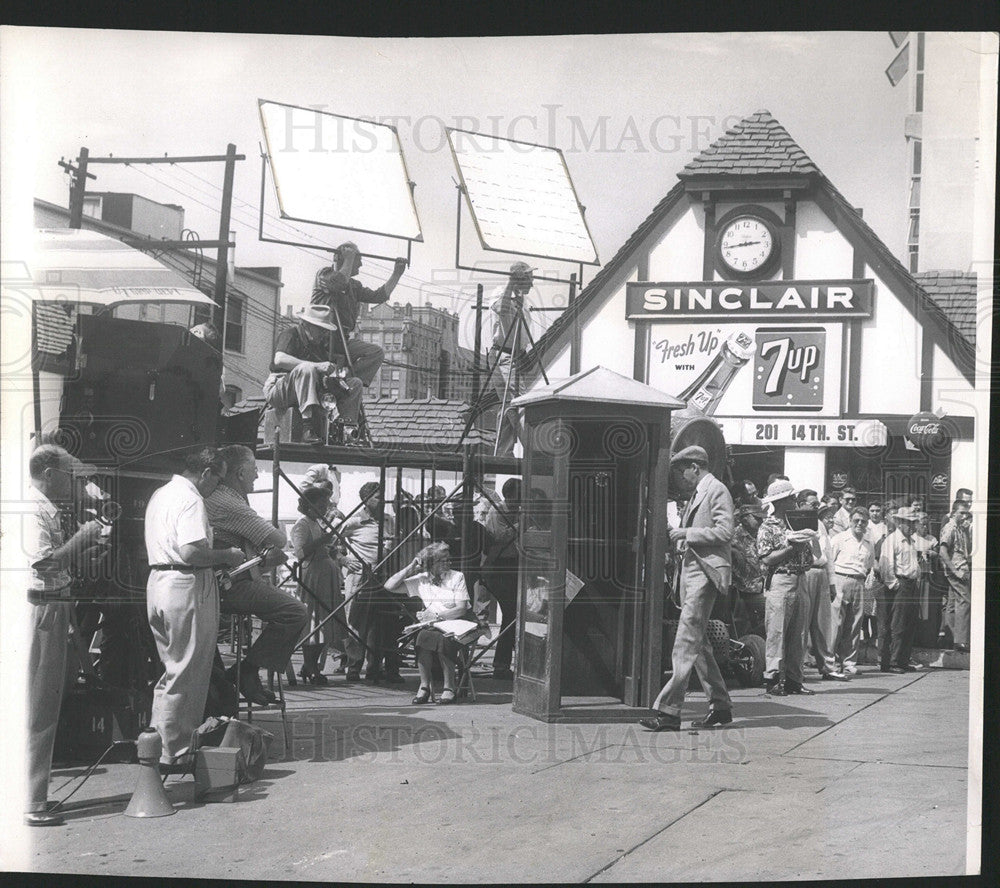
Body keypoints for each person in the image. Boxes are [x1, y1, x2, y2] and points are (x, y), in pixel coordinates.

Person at [23, 445, 108, 826]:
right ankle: (31, 801)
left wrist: (88, 548)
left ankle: (30, 795)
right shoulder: (33, 508)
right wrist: (83, 537)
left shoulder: (45, 509)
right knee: (39, 706)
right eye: (74, 477)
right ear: (51, 473)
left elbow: (58, 561)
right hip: (41, 609)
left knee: (42, 703)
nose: (79, 485)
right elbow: (44, 561)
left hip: (50, 605)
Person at [144, 448, 245, 770]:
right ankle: (175, 751)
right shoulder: (191, 499)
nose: (217, 486)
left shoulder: (162, 493)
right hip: (185, 584)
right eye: (217, 478)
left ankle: (157, 743)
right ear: (206, 472)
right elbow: (190, 552)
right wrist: (227, 554)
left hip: (159, 583)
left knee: (172, 670)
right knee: (189, 672)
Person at [204, 445, 308, 704]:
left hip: (227, 580)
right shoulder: (228, 502)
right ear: (240, 473)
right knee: (295, 612)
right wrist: (262, 549)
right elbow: (278, 538)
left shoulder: (226, 499)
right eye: (254, 470)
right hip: (229, 584)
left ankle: (244, 672)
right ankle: (247, 671)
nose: (257, 476)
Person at [641, 446, 734, 731]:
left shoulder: (716, 490)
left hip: (706, 574)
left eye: (683, 470)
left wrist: (687, 533)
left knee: (684, 642)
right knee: (699, 644)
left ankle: (669, 712)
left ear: (696, 466)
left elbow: (725, 531)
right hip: (693, 573)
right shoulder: (698, 493)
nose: (681, 477)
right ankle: (720, 706)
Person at [385, 543, 478, 705]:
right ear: (431, 563)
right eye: (443, 561)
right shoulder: (421, 580)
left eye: (449, 560)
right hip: (433, 625)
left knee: (444, 638)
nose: (448, 564)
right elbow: (389, 586)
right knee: (422, 638)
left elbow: (461, 609)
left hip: (458, 622)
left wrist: (436, 615)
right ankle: (424, 686)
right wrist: (412, 566)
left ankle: (449, 687)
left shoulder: (457, 577)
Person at [264, 305, 365, 445]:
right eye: (320, 329)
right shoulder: (290, 334)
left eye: (325, 330)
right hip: (279, 389)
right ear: (306, 325)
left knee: (355, 383)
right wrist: (316, 366)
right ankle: (307, 428)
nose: (323, 333)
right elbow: (280, 359)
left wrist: (335, 376)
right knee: (306, 368)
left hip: (307, 389)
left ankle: (347, 431)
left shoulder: (318, 346)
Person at [311, 240, 406, 385]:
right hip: (319, 340)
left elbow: (379, 296)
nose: (360, 264)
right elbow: (338, 283)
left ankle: (348, 381)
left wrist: (396, 274)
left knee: (376, 353)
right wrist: (349, 258)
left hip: (340, 341)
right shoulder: (323, 275)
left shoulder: (354, 286)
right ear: (342, 258)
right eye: (358, 260)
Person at [755, 478, 816, 696]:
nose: (794, 501)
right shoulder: (768, 527)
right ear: (781, 501)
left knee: (799, 633)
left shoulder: (796, 524)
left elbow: (809, 556)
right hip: (780, 579)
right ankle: (772, 678)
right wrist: (791, 548)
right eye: (791, 498)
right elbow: (767, 559)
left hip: (800, 578)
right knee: (777, 631)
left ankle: (794, 679)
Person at [341, 481, 403, 683]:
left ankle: (374, 667)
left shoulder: (388, 521)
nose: (382, 501)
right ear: (366, 500)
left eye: (382, 496)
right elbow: (331, 543)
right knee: (356, 623)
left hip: (384, 577)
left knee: (380, 624)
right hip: (361, 577)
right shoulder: (354, 521)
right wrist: (343, 559)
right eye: (377, 497)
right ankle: (353, 666)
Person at [291, 486, 346, 684]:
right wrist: (322, 540)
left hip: (326, 574)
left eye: (326, 506)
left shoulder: (316, 523)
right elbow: (300, 553)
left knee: (327, 620)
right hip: (313, 575)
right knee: (313, 621)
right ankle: (310, 665)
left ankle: (311, 665)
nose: (323, 510)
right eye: (320, 505)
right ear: (309, 505)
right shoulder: (302, 524)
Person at [798, 492, 846, 681]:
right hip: (805, 572)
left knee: (823, 623)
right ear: (801, 504)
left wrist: (832, 583)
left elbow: (827, 555)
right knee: (802, 623)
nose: (816, 507)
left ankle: (827, 667)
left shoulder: (819, 525)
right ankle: (797, 668)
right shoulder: (795, 522)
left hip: (821, 574)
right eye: (813, 503)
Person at [487, 262, 535, 455]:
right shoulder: (501, 292)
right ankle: (534, 449)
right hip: (504, 355)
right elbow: (502, 308)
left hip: (517, 356)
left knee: (510, 407)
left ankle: (501, 454)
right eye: (529, 279)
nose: (532, 284)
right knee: (518, 403)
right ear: (519, 279)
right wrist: (510, 284)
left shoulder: (523, 300)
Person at [481, 478, 523, 681]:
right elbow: (499, 537)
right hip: (498, 567)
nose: (520, 501)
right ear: (509, 495)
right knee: (510, 613)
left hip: (516, 565)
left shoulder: (521, 511)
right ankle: (501, 664)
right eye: (517, 497)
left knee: (516, 613)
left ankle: (508, 662)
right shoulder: (497, 511)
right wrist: (519, 524)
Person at [829, 508, 876, 675]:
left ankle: (849, 662)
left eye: (863, 521)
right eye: (856, 520)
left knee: (855, 624)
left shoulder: (869, 543)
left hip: (859, 582)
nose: (859, 524)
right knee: (837, 624)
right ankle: (832, 663)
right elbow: (830, 561)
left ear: (867, 523)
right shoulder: (839, 539)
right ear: (850, 521)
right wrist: (833, 585)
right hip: (840, 579)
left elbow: (869, 564)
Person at [878, 507, 923, 673]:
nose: (912, 526)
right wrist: (894, 584)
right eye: (909, 522)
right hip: (900, 584)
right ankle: (892, 661)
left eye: (914, 523)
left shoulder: (911, 541)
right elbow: (886, 564)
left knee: (909, 623)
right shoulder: (892, 540)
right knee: (897, 624)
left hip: (911, 584)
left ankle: (902, 660)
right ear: (900, 523)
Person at [938, 500, 972, 653]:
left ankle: (951, 638)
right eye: (961, 513)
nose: (965, 516)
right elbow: (943, 552)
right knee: (964, 601)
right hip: (957, 570)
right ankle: (961, 641)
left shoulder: (959, 528)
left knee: (952, 604)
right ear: (953, 513)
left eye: (966, 513)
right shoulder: (950, 527)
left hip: (960, 568)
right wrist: (956, 571)